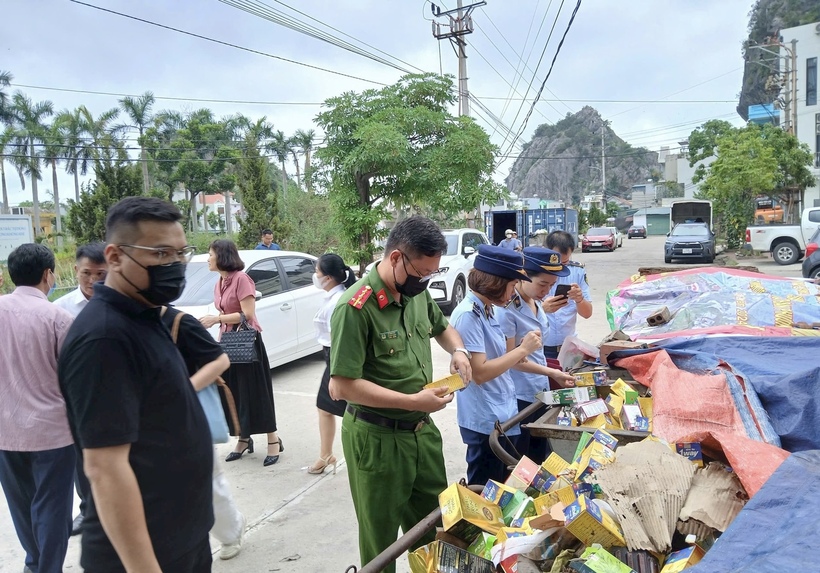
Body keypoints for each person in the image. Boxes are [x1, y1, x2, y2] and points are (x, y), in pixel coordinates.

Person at [58, 196, 214, 573]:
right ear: (114, 257)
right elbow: (105, 468)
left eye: (180, 253)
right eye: (160, 254)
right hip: (144, 555)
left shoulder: (145, 316)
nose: (174, 266)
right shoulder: (105, 338)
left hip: (183, 538)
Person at [329, 215, 473, 573]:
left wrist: (459, 352)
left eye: (430, 275)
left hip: (421, 433)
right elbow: (341, 386)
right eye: (420, 273)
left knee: (434, 526)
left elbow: (444, 328)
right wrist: (411, 402)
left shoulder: (416, 295)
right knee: (381, 540)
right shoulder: (355, 308)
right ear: (396, 258)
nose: (423, 282)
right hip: (377, 439)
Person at [0, 243, 75, 573]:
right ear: (49, 274)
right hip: (52, 434)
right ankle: (45, 568)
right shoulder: (58, 318)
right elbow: (74, 379)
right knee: (52, 511)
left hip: (5, 432)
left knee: (22, 507)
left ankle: (35, 563)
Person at [450, 244, 542, 485]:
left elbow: (498, 359)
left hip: (500, 412)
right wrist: (522, 350)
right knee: (485, 491)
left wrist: (517, 354)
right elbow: (479, 372)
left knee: (502, 486)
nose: (513, 293)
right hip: (484, 420)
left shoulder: (487, 309)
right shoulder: (469, 315)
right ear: (496, 283)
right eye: (511, 286)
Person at [160, 306, 246, 561]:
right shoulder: (125, 320)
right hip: (148, 421)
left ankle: (232, 531)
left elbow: (220, 360)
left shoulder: (179, 321)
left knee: (208, 481)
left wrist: (183, 390)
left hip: (187, 415)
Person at [199, 239, 283, 466]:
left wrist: (215, 319)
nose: (208, 259)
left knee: (257, 392)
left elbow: (247, 314)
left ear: (222, 256)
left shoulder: (242, 279)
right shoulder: (220, 281)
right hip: (228, 342)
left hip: (248, 342)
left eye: (210, 254)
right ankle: (243, 438)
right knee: (235, 392)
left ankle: (273, 439)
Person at [495, 247, 576, 463]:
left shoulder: (537, 303)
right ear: (522, 276)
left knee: (541, 456)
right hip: (519, 395)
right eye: (542, 284)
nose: (547, 291)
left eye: (551, 285)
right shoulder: (507, 311)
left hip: (539, 390)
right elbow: (512, 360)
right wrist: (552, 372)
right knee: (520, 460)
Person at [52, 241, 108, 536]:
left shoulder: (123, 305)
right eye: (86, 273)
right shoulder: (60, 310)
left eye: (100, 274)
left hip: (114, 395)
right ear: (75, 271)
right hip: (76, 400)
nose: (93, 281)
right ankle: (88, 511)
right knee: (82, 462)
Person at [308, 253, 356, 475]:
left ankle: (350, 454)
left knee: (351, 410)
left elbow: (340, 338)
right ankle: (325, 454)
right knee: (325, 406)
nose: (315, 276)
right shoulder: (333, 296)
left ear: (327, 277)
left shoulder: (339, 301)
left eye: (317, 272)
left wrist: (337, 372)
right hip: (331, 357)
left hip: (337, 358)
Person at [541, 231, 593, 360]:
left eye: (565, 262)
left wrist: (579, 300)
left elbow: (587, 314)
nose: (561, 268)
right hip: (540, 348)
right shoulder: (533, 273)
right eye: (557, 262)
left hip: (568, 348)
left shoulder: (577, 271)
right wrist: (541, 309)